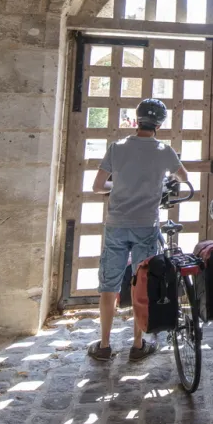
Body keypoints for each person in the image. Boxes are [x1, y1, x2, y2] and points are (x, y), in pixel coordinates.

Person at [88, 98, 187, 361]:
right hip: (146, 224)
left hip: (117, 224)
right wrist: (160, 181)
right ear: (159, 125)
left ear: (137, 119)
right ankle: (138, 343)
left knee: (108, 285)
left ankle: (104, 344)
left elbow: (97, 186)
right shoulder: (164, 150)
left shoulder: (117, 147)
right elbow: (183, 176)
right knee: (141, 283)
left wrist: (118, 186)